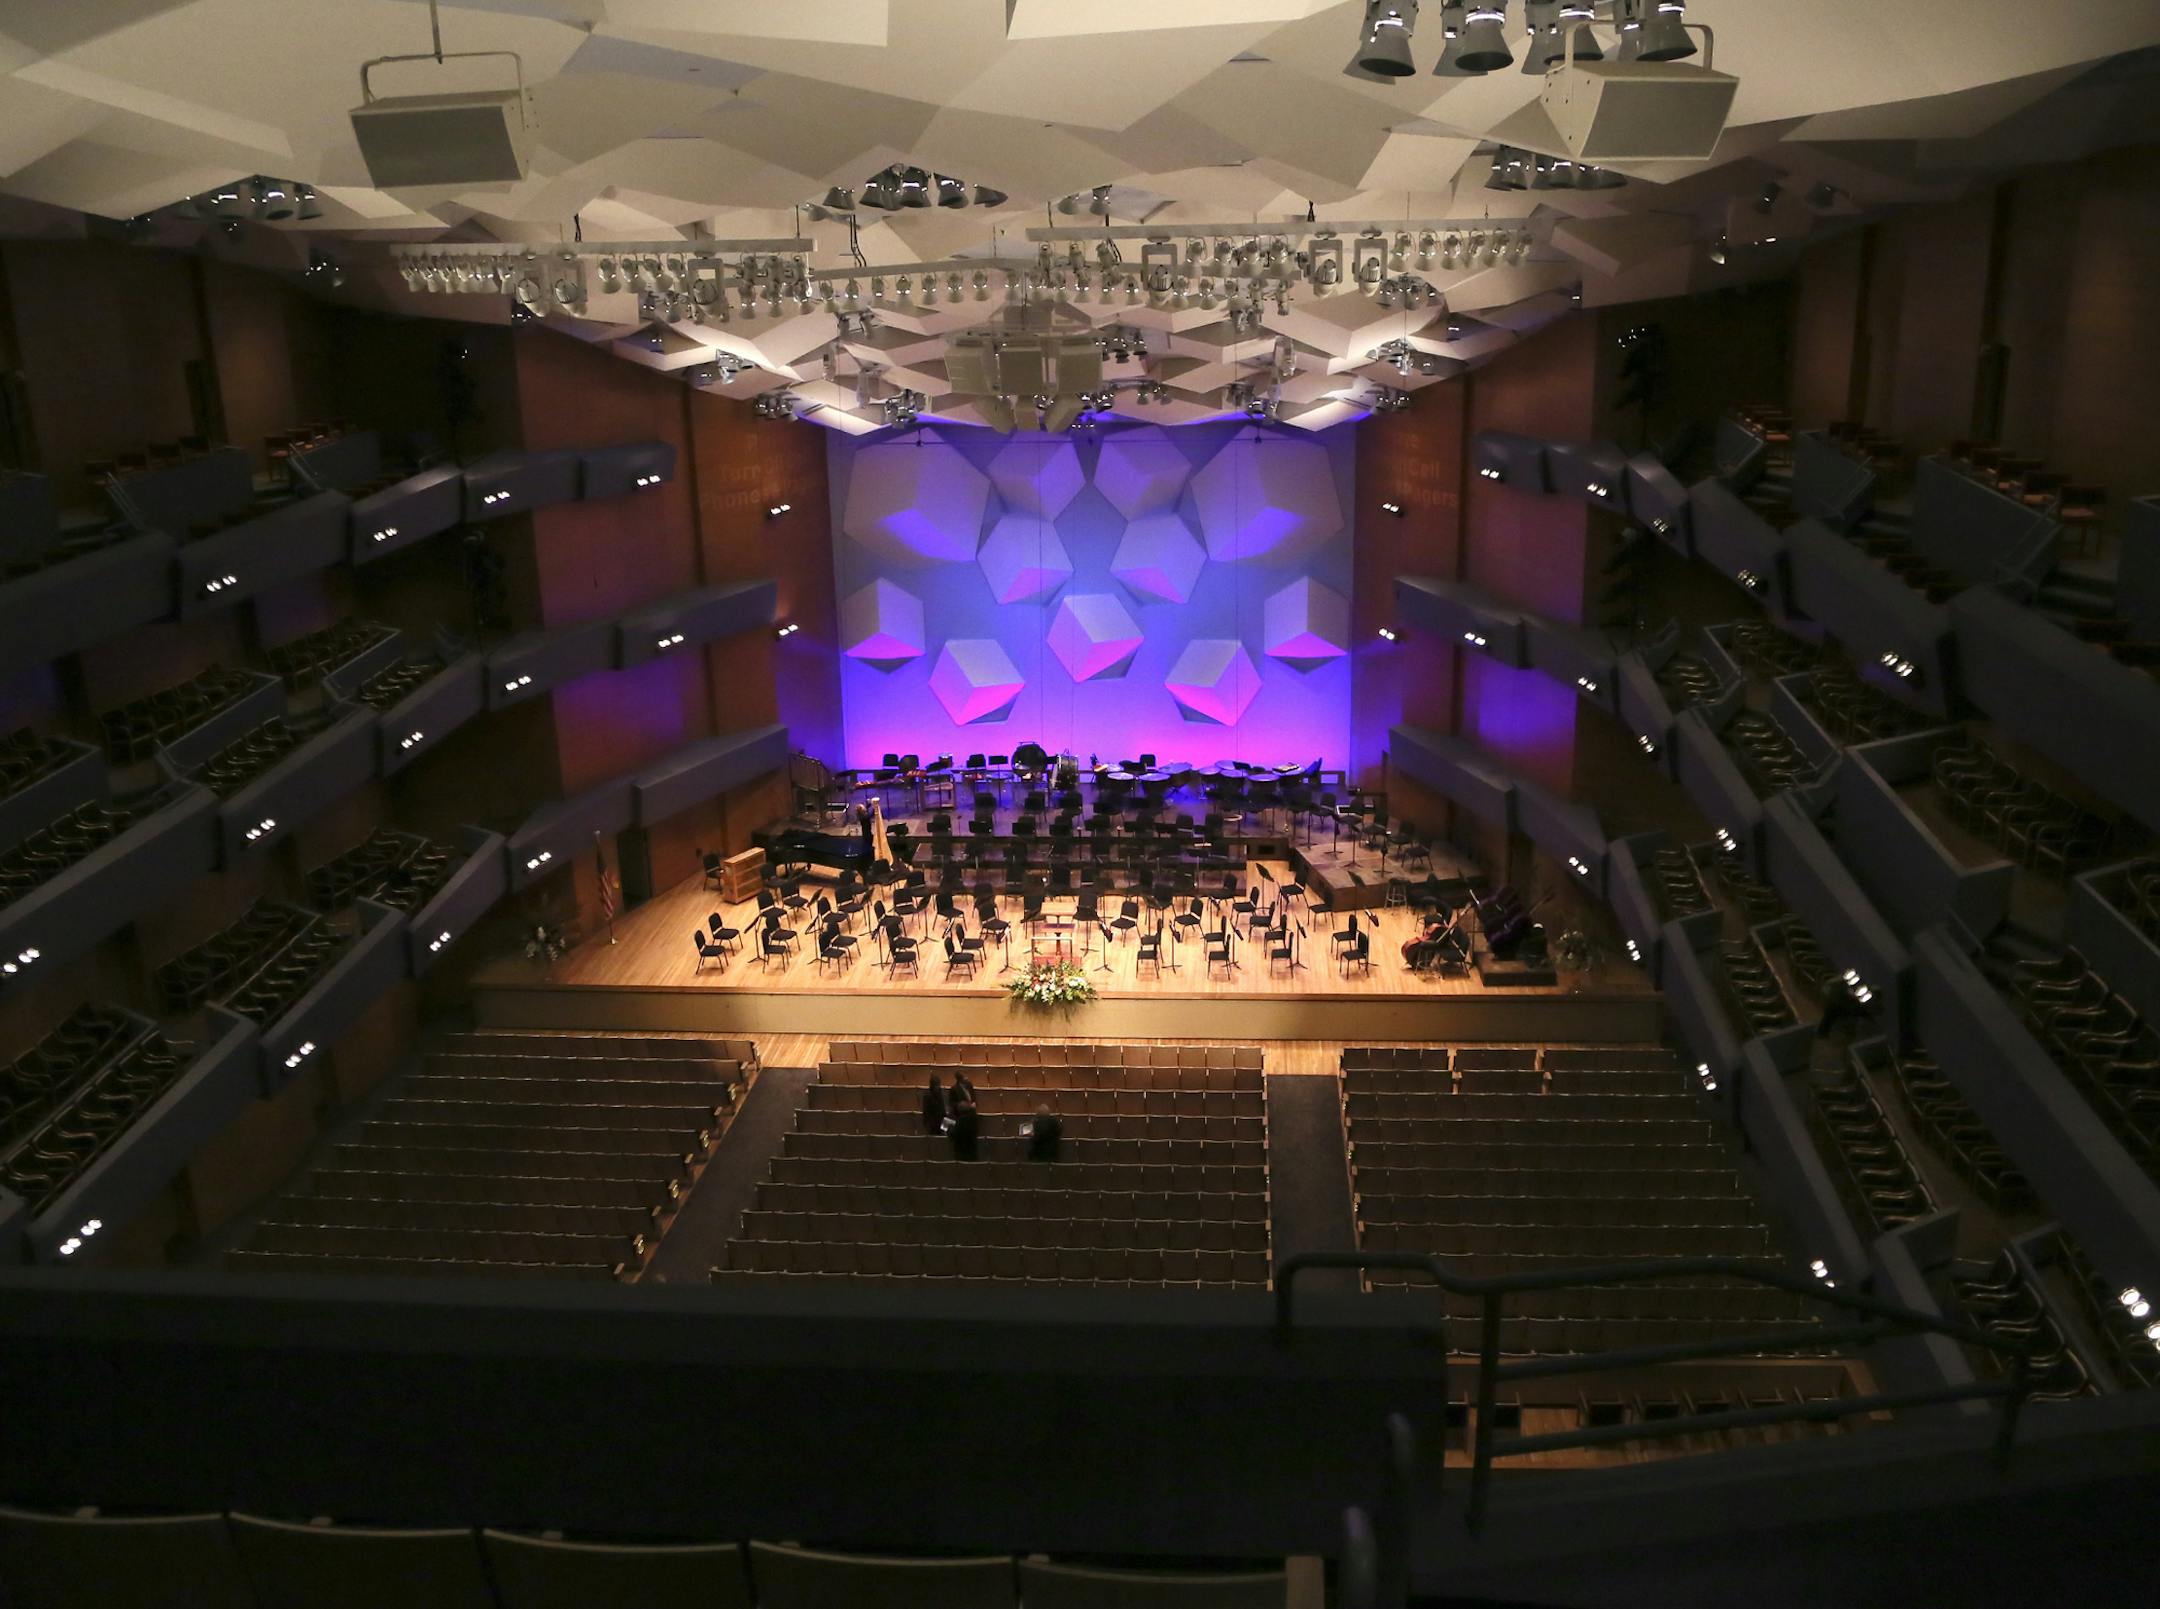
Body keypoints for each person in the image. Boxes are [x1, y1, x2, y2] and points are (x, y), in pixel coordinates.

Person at [948, 1093, 980, 1161]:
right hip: (972, 1154)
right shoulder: (973, 1120)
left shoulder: (959, 1123)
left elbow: (951, 1134)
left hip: (960, 1155)